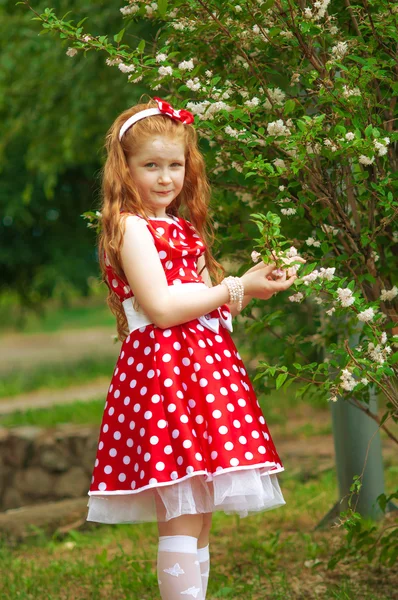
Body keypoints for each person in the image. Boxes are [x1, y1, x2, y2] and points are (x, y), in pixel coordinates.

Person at [86, 95, 304, 599]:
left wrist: (255, 284)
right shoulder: (129, 227)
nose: (165, 177)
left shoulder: (183, 228)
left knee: (200, 512)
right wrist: (234, 288)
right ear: (125, 170)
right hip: (165, 377)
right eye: (151, 166)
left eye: (175, 165)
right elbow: (162, 308)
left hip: (203, 374)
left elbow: (211, 305)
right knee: (181, 514)